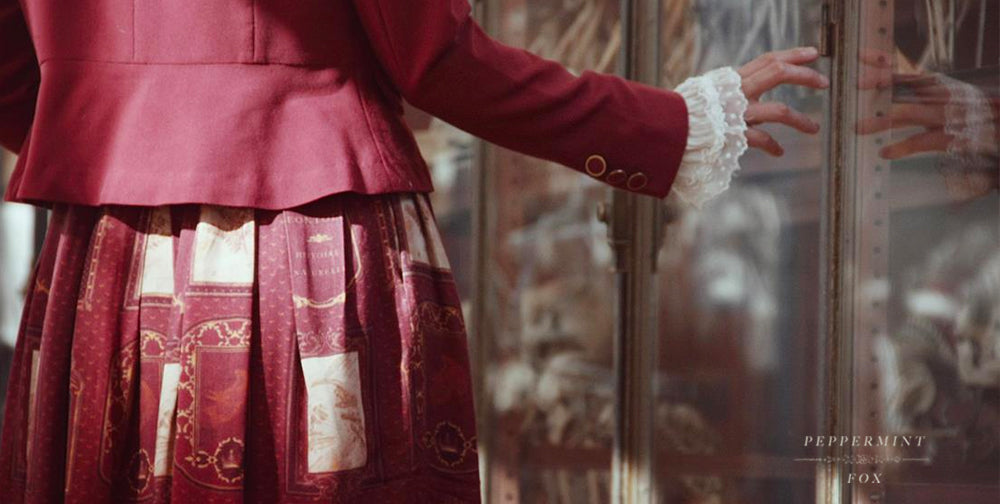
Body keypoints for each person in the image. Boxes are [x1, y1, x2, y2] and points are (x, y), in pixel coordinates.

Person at [0, 0, 827, 502]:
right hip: (306, 241)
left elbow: (9, 74)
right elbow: (434, 59)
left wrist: (130, 136)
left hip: (104, 261)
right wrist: (676, 123)